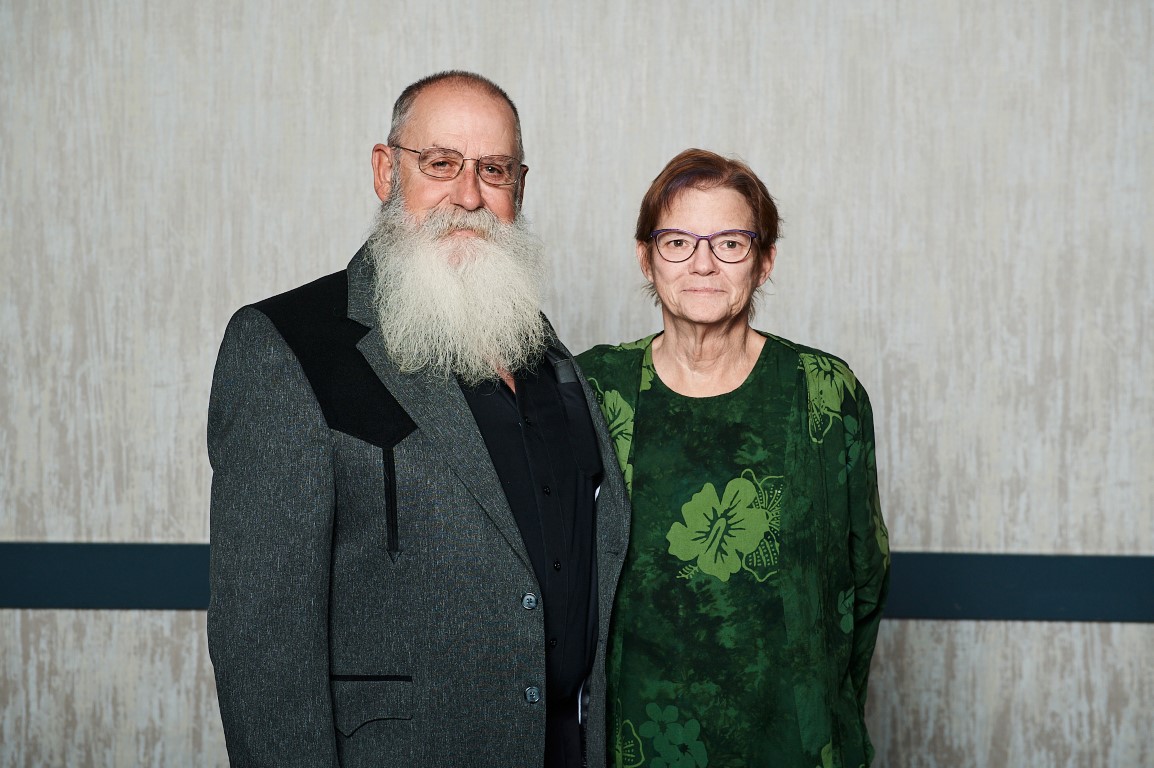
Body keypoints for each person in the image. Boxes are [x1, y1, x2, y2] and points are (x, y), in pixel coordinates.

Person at [207, 71, 629, 768]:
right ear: (386, 170)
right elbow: (263, 648)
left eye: (494, 170)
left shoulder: (547, 353)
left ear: (519, 188)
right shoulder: (287, 345)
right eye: (440, 164)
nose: (469, 195)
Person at [576, 149, 890, 767]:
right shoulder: (595, 389)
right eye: (677, 242)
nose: (703, 264)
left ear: (764, 260)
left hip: (794, 741)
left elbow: (865, 577)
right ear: (645, 257)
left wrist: (826, 716)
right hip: (638, 737)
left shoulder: (825, 391)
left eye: (730, 243)